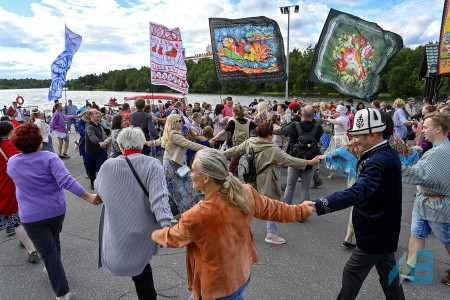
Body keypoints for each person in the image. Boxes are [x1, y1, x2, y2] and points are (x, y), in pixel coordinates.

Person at [151, 148, 316, 300]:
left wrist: (150, 232)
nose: (190, 173)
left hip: (216, 286)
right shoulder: (245, 191)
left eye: (193, 170)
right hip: (241, 273)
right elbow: (275, 209)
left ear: (206, 178)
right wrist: (301, 209)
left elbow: (171, 237)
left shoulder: (197, 215)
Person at [311, 108, 405, 300]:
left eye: (358, 136)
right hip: (384, 229)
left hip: (375, 231)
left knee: (352, 273)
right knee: (389, 277)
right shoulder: (385, 152)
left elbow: (357, 191)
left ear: (372, 135)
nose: (354, 140)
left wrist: (321, 204)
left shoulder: (378, 160)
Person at [7, 123, 101, 300]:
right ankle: (56, 275)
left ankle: (63, 292)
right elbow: (66, 181)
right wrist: (88, 197)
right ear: (39, 142)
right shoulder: (50, 158)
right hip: (55, 210)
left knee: (48, 251)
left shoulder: (12, 162)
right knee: (52, 241)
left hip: (31, 215)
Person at [96, 127, 172, 300]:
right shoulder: (153, 164)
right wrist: (166, 225)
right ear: (141, 144)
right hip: (144, 228)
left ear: (120, 145)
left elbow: (99, 189)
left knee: (139, 270)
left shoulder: (109, 165)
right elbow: (159, 199)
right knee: (142, 267)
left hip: (119, 228)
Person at [223, 123, 320, 244]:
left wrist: (218, 154)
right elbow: (289, 160)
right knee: (271, 205)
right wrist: (309, 162)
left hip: (250, 178)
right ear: (270, 135)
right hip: (267, 180)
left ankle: (237, 230)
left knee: (246, 204)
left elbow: (235, 151)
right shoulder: (273, 149)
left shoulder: (250, 142)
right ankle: (271, 234)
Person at [400, 112, 450, 286]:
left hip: (437, 205)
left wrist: (392, 163)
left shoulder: (440, 152)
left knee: (448, 238)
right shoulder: (437, 149)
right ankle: (409, 269)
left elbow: (418, 174)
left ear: (438, 129)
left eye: (426, 127)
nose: (422, 131)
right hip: (424, 201)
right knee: (416, 234)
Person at [151, 114, 208, 213]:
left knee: (181, 187)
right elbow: (188, 144)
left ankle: (187, 208)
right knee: (181, 188)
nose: (182, 122)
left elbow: (161, 140)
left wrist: (151, 142)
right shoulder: (173, 135)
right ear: (173, 123)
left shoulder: (172, 133)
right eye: (179, 121)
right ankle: (187, 210)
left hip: (171, 163)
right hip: (173, 164)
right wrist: (207, 149)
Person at [0, 121, 37, 260]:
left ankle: (23, 240)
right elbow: (26, 159)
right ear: (10, 132)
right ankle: (32, 250)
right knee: (16, 218)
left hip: (2, 186)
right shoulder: (8, 145)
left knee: (14, 218)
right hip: (9, 184)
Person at [282, 106, 323, 216]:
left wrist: (294, 120)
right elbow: (317, 140)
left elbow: (284, 132)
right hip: (310, 160)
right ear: (314, 115)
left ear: (301, 114)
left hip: (294, 160)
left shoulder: (295, 126)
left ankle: (286, 210)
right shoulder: (318, 127)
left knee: (290, 186)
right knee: (306, 188)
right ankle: (303, 213)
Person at [211, 105, 257, 175]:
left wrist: (213, 138)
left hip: (237, 149)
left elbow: (222, 133)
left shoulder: (233, 122)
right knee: (244, 166)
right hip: (247, 148)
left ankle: (235, 183)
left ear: (234, 113)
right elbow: (258, 130)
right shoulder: (249, 122)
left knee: (232, 168)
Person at [323, 105, 350, 179]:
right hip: (336, 138)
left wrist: (326, 120)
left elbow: (335, 121)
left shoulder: (343, 119)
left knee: (342, 156)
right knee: (333, 155)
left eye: (337, 112)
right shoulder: (340, 118)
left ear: (341, 112)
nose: (336, 113)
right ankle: (332, 173)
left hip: (341, 138)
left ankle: (349, 171)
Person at [85, 109, 109, 190]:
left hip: (101, 150)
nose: (98, 114)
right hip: (91, 151)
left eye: (99, 113)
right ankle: (93, 182)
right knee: (91, 168)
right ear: (91, 116)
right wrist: (99, 143)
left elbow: (108, 130)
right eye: (96, 113)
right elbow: (91, 135)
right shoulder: (89, 126)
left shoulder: (100, 124)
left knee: (101, 166)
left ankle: (102, 182)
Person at [77, 108, 90, 179]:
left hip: (91, 141)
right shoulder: (81, 122)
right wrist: (90, 130)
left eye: (89, 113)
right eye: (87, 113)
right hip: (84, 142)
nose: (89, 114)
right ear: (83, 114)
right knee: (86, 158)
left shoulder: (90, 120)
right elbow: (82, 131)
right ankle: (87, 172)